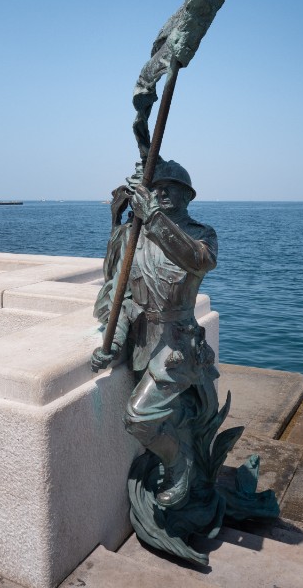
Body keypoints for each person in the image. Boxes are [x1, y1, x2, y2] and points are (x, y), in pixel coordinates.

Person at [91, 160, 218, 508]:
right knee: (166, 418)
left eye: (169, 189)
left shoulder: (201, 235)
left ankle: (179, 468)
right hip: (142, 344)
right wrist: (114, 341)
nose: (159, 194)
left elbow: (198, 260)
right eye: (155, 189)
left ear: (187, 197)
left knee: (138, 417)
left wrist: (155, 218)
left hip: (178, 346)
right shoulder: (135, 238)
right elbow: (121, 298)